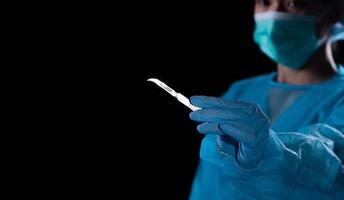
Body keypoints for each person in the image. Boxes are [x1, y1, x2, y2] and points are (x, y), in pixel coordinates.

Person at [188, 0, 344, 199]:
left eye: (292, 3)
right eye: (265, 2)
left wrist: (269, 155)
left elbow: (328, 165)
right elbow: (208, 185)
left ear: (334, 13)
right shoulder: (240, 91)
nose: (273, 15)